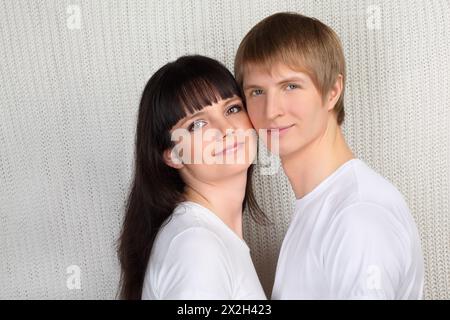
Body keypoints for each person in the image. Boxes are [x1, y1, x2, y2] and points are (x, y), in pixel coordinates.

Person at [234, 12, 424, 299]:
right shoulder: (321, 205)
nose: (271, 110)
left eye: (291, 86)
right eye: (257, 91)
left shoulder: (356, 217)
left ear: (333, 90)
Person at [117, 55, 267, 299]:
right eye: (196, 125)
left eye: (232, 108)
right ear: (173, 155)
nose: (226, 129)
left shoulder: (203, 236)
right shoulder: (197, 245)